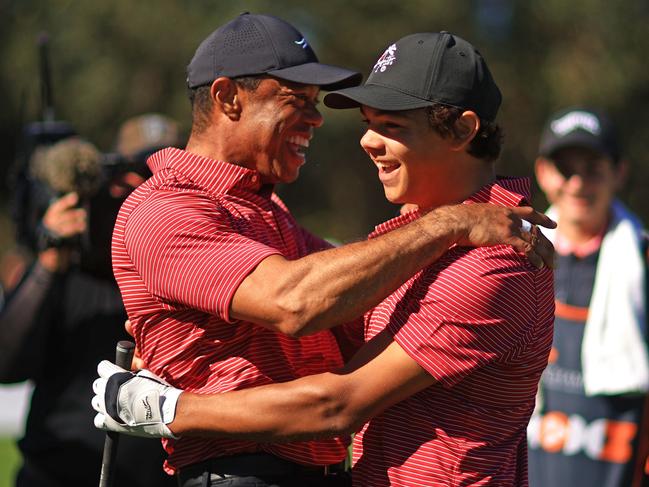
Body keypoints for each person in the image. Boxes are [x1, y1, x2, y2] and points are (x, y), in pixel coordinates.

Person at [93, 30, 556, 486]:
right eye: (299, 99)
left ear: (462, 129)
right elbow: (299, 301)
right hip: (239, 474)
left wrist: (168, 408)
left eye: (391, 125)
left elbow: (337, 393)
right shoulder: (168, 208)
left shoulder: (492, 257)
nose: (361, 140)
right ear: (228, 97)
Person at [0, 136, 177, 487]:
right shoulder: (65, 273)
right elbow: (7, 365)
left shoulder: (178, 276)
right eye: (116, 191)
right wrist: (51, 255)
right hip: (54, 474)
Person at [526, 107, 649, 486]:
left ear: (619, 173)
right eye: (566, 169)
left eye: (593, 168)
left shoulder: (642, 260)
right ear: (544, 173)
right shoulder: (515, 259)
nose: (578, 184)